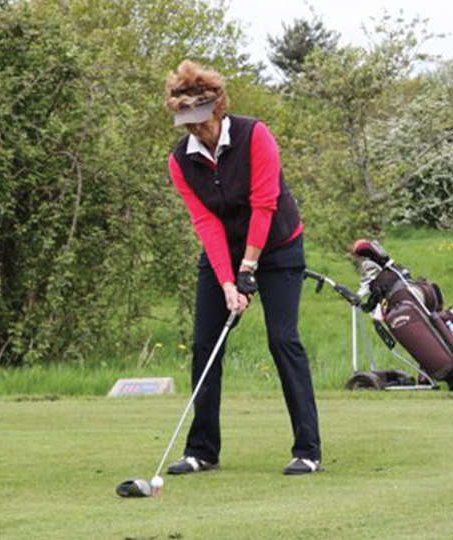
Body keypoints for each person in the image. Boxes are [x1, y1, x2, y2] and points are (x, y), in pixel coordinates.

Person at [164, 60, 321, 475]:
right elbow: (206, 223)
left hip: (278, 247)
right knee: (204, 345)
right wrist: (229, 281)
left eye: (200, 120)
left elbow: (263, 203)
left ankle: (308, 449)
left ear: (218, 108)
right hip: (224, 255)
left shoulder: (256, 136)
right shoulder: (180, 161)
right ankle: (202, 450)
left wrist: (250, 268)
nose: (195, 129)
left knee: (282, 339)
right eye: (187, 123)